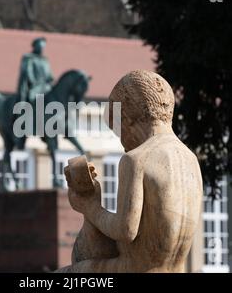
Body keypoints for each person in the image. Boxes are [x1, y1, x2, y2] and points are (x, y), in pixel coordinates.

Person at [59, 70, 203, 273]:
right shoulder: (190, 160)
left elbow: (125, 231)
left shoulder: (136, 159)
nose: (122, 141)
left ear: (127, 117)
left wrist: (88, 206)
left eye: (118, 130)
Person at [17, 37, 54, 103]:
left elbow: (49, 73)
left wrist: (51, 79)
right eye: (40, 46)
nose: (41, 49)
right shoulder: (29, 58)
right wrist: (33, 82)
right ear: (35, 46)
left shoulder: (44, 60)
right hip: (33, 87)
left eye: (43, 47)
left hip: (45, 87)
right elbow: (28, 72)